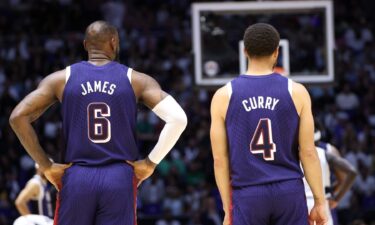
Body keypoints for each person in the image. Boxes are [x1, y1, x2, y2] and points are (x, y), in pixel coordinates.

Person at [9, 21, 187, 225]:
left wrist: (46, 165)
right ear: (114, 42)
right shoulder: (137, 80)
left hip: (77, 177)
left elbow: (17, 117)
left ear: (85, 45)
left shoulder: (60, 79)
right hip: (119, 177)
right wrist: (150, 163)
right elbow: (178, 119)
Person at [210, 23, 328, 225]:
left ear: (245, 51)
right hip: (288, 190)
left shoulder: (223, 96)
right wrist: (319, 201)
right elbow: (308, 152)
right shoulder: (297, 91)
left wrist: (227, 208)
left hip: (247, 192)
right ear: (277, 52)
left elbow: (220, 159)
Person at [304, 125, 358, 225]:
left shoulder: (294, 153)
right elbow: (351, 173)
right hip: (323, 203)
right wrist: (336, 199)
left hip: (301, 204)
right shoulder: (326, 152)